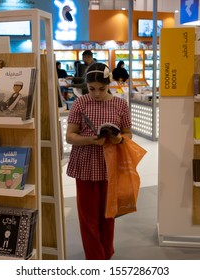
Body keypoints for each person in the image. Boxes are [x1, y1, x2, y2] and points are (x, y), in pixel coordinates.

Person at [65, 63, 132, 260]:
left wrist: (119, 139)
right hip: (85, 164)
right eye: (92, 88)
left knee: (108, 214)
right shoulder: (80, 103)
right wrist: (91, 140)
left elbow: (128, 134)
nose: (96, 93)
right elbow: (70, 136)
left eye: (101, 89)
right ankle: (95, 258)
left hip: (110, 165)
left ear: (109, 83)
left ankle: (106, 252)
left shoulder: (120, 104)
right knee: (88, 218)